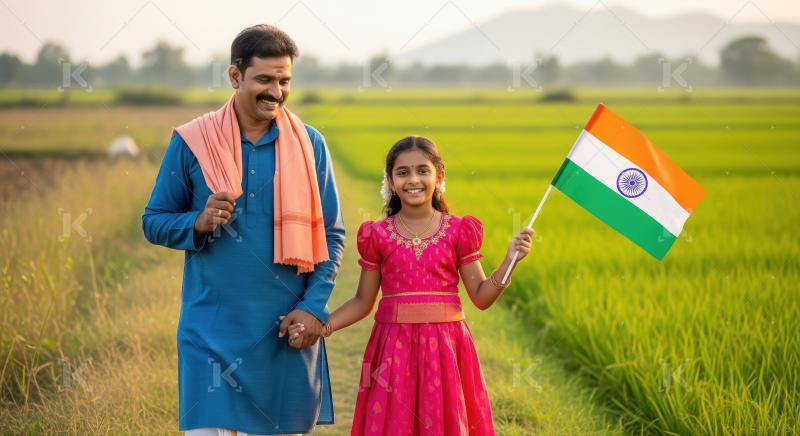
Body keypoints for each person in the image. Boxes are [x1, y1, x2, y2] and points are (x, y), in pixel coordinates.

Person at [141, 24, 345, 436]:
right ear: (235, 76)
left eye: (285, 80)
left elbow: (332, 236)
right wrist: (196, 222)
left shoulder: (310, 144)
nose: (277, 91)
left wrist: (313, 308)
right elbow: (153, 220)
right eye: (265, 79)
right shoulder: (193, 142)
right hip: (209, 335)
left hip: (283, 332)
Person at [287, 135, 534, 435]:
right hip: (393, 350)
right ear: (390, 181)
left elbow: (481, 297)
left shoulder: (458, 231)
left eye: (423, 170)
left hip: (447, 349)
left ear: (439, 176)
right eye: (402, 172)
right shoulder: (377, 235)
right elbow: (363, 302)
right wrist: (322, 327)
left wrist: (511, 260)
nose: (413, 180)